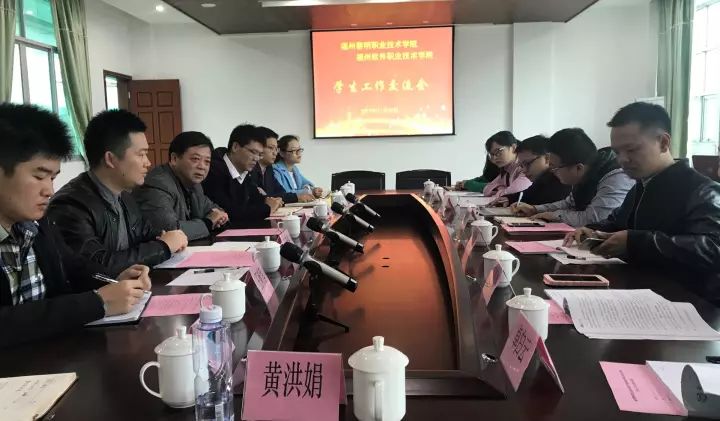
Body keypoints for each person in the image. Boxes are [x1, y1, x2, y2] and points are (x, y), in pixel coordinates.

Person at [0, 103, 152, 348]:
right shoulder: (69, 204)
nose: (49, 190)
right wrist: (97, 302)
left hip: (52, 360)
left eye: (52, 178)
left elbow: (74, 268)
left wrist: (114, 279)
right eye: (39, 176)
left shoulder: (36, 225)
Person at [566, 102, 720, 302]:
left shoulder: (702, 190)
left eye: (631, 150)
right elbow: (618, 222)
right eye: (617, 152)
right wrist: (593, 231)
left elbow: (712, 248)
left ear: (663, 142)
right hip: (639, 291)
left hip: (686, 302)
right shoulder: (641, 184)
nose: (622, 159)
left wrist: (636, 242)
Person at [47, 110, 188, 276]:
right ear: (110, 159)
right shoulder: (70, 205)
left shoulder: (125, 196)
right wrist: (163, 246)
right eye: (141, 154)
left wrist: (165, 237)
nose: (148, 162)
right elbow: (95, 266)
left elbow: (145, 234)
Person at [512, 128, 634, 227]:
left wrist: (556, 216)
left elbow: (597, 218)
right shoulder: (585, 173)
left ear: (578, 168)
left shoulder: (615, 175)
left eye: (555, 168)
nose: (552, 171)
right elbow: (568, 203)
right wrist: (535, 209)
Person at [133, 131, 229, 241]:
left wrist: (219, 216)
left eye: (207, 161)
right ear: (174, 159)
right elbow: (169, 231)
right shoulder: (157, 183)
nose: (202, 166)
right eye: (195, 159)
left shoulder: (195, 185)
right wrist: (209, 222)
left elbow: (213, 209)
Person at [203, 124, 283, 228]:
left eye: (260, 154)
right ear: (235, 147)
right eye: (253, 152)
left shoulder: (244, 172)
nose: (256, 158)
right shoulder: (214, 171)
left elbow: (256, 199)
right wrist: (267, 208)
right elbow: (230, 213)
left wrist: (267, 202)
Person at [249, 127, 313, 204]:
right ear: (258, 148)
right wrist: (298, 196)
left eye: (276, 149)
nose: (275, 153)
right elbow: (265, 197)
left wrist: (297, 196)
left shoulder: (268, 168)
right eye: (271, 148)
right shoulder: (251, 169)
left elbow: (280, 192)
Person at [505, 135, 571, 205]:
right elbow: (526, 195)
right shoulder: (541, 180)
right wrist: (508, 199)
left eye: (528, 163)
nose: (524, 170)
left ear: (547, 158)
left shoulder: (561, 182)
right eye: (521, 166)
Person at [481, 131, 532, 202]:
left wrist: (501, 191)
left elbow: (511, 193)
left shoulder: (524, 167)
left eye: (498, 151)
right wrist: (502, 189)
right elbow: (486, 190)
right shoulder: (507, 170)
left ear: (513, 148)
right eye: (491, 154)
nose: (494, 158)